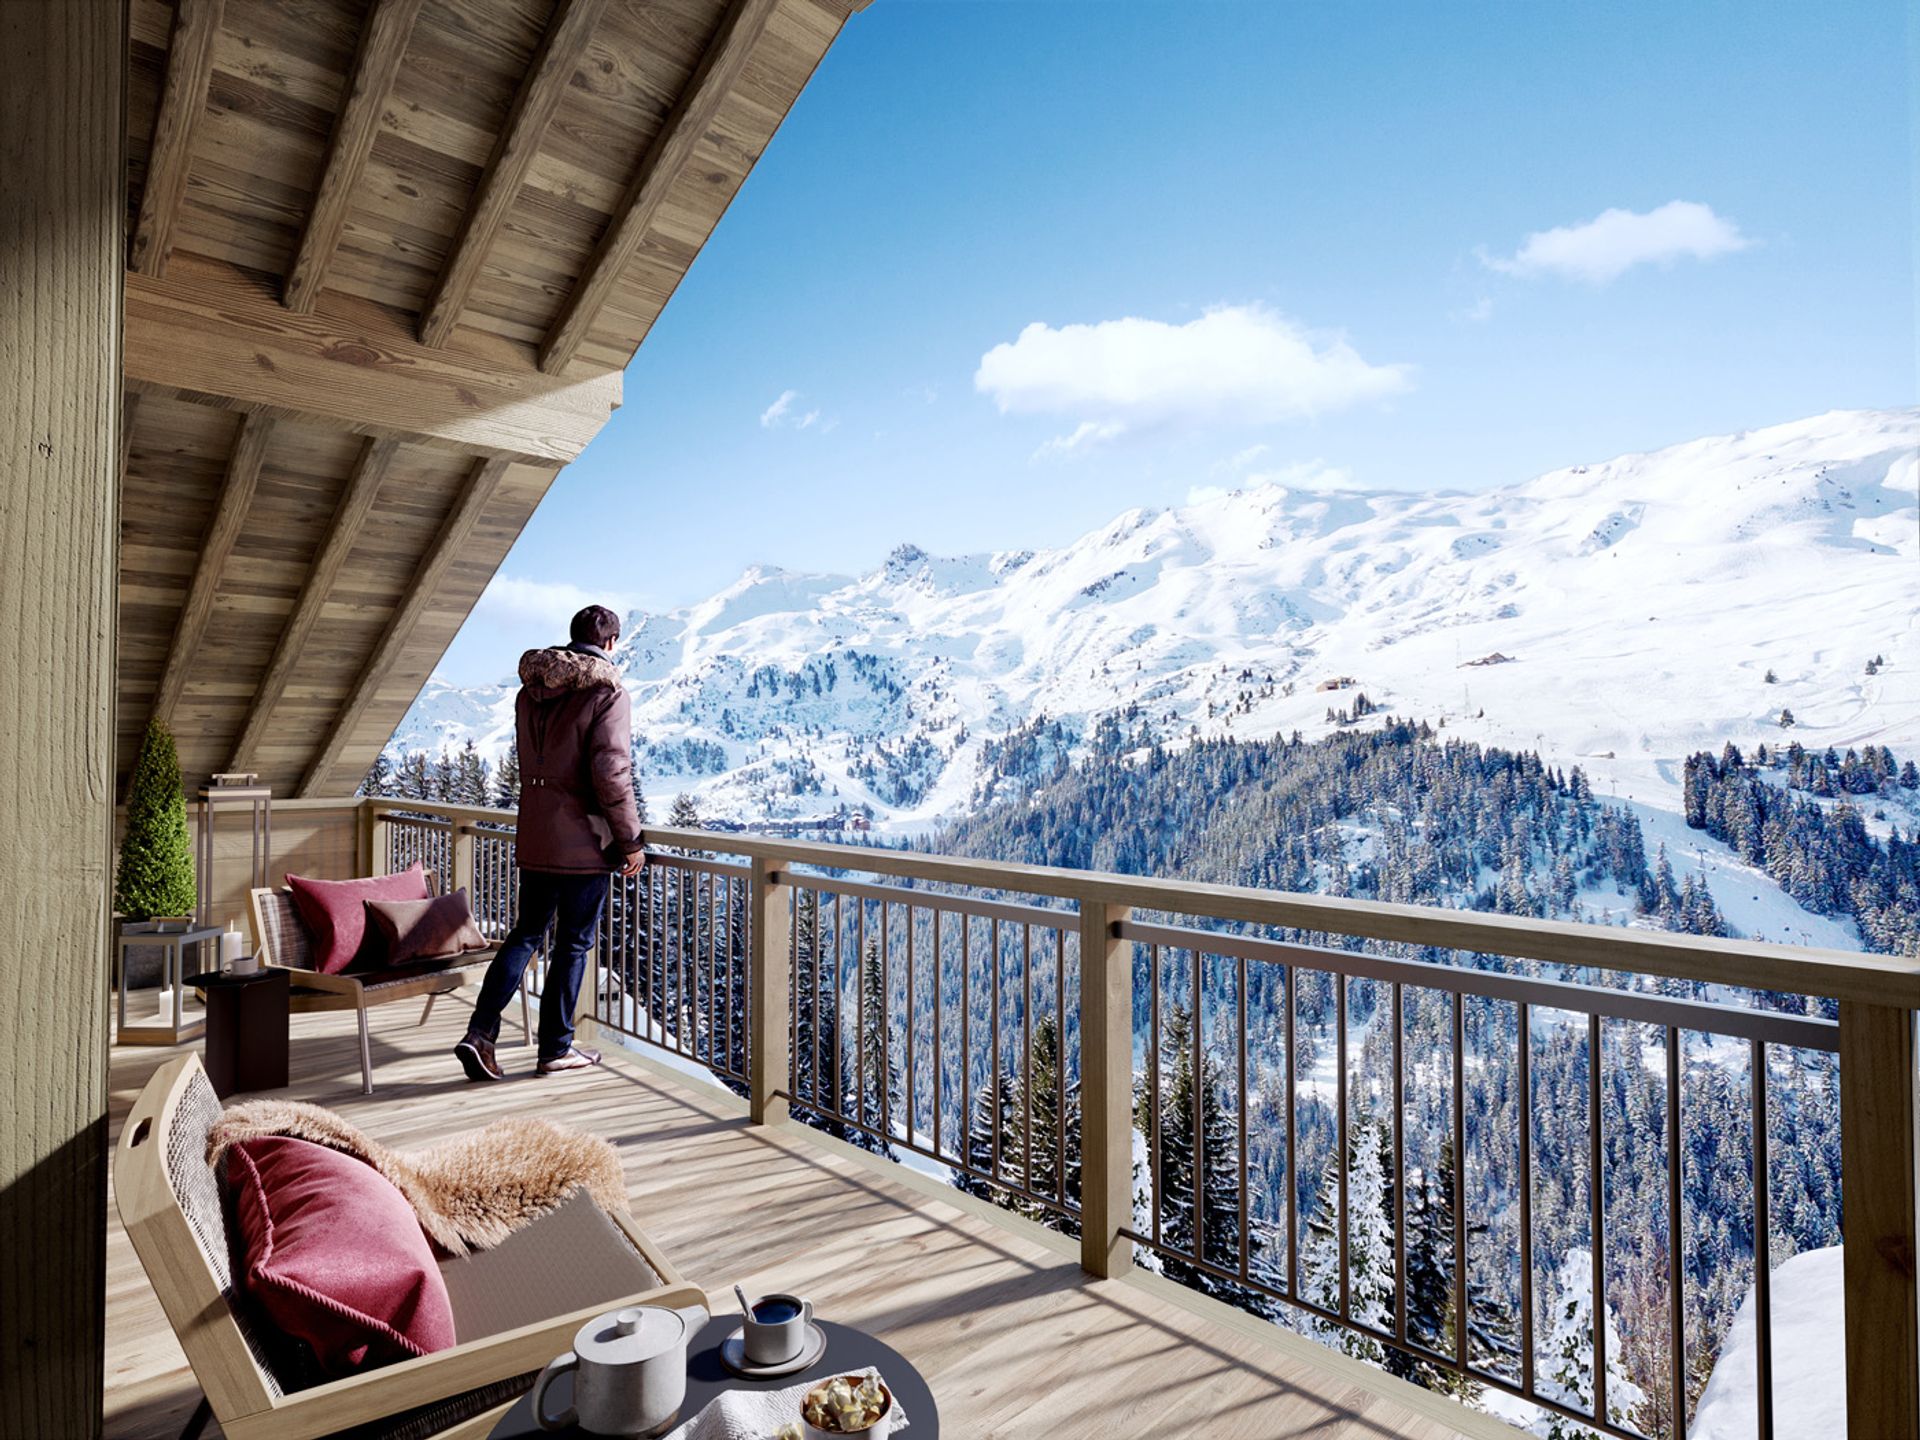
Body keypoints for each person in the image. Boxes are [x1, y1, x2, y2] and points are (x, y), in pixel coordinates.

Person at [455, 605, 645, 1081]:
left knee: (525, 934)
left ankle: (480, 1032)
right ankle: (556, 1049)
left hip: (536, 833)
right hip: (584, 838)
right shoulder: (607, 691)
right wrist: (631, 840)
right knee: (573, 945)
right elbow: (611, 772)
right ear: (610, 643)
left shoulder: (531, 692)